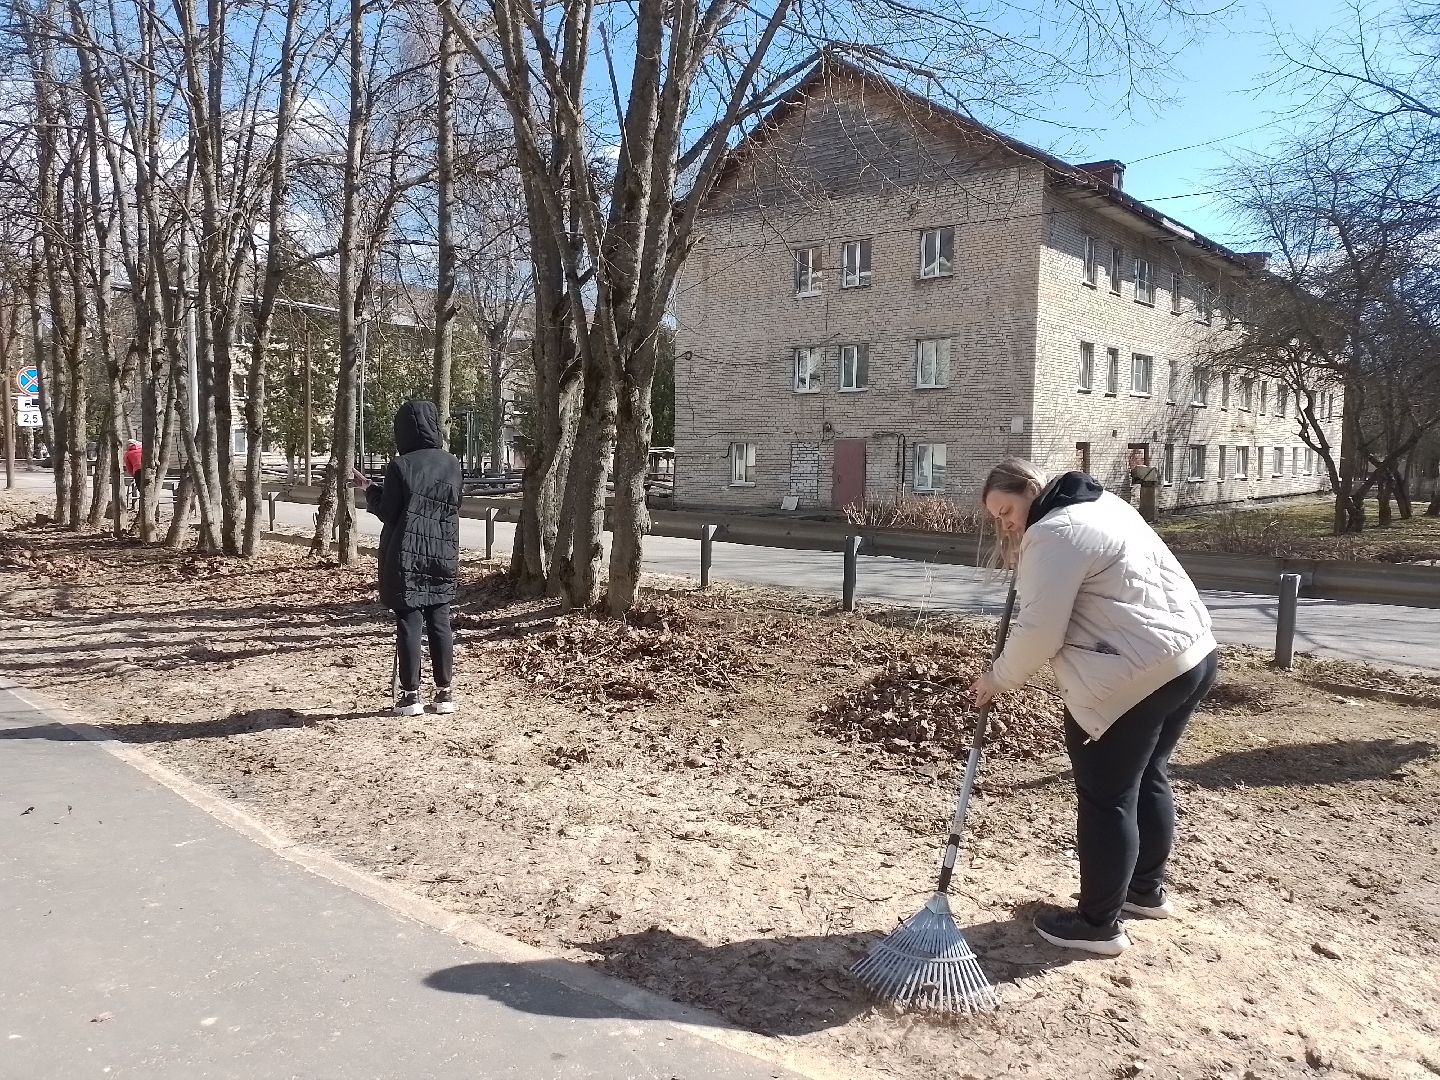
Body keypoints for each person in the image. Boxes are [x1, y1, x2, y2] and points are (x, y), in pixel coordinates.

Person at [970, 458, 1217, 956]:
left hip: (1131, 675)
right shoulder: (1105, 505)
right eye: (996, 517)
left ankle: (1098, 923)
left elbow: (1040, 631)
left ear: (1030, 488)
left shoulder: (1055, 533)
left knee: (1108, 796)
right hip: (1190, 655)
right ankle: (1143, 891)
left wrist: (998, 678)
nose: (1005, 522)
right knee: (1148, 775)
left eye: (1007, 509)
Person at [353, 400, 463, 717]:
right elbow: (456, 502)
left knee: (409, 623)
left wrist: (370, 489)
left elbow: (388, 512)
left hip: (407, 558)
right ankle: (445, 695)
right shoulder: (452, 464)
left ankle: (411, 696)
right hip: (443, 554)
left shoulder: (400, 466)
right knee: (440, 622)